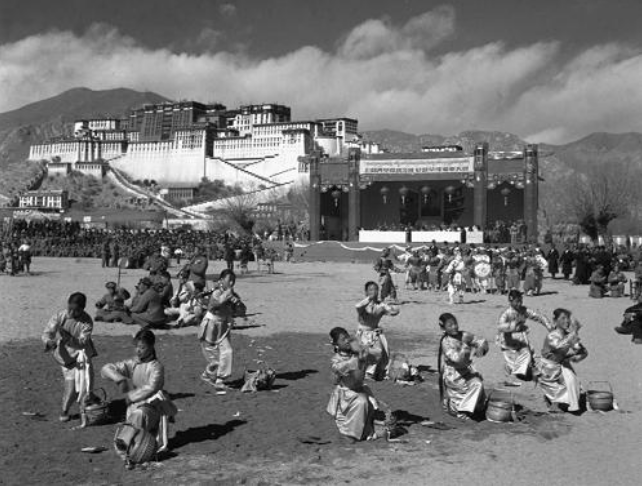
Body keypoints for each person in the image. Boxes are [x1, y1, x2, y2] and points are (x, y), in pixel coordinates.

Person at [101, 329, 177, 442]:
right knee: (136, 422)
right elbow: (106, 369)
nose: (138, 350)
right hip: (136, 405)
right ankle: (127, 442)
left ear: (151, 347)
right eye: (136, 346)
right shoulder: (134, 364)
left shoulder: (156, 367)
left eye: (142, 347)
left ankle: (124, 442)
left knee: (138, 416)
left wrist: (131, 396)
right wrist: (119, 379)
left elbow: (152, 388)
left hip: (154, 405)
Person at [42, 292, 98, 422]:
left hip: (81, 356)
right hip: (65, 357)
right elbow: (47, 333)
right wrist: (49, 341)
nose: (71, 312)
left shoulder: (87, 322)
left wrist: (68, 338)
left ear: (82, 308)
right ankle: (65, 411)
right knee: (72, 385)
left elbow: (82, 342)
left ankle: (89, 400)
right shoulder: (60, 316)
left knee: (85, 381)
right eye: (70, 308)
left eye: (76, 310)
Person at [326, 327, 378, 441]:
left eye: (347, 338)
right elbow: (341, 369)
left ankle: (363, 431)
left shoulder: (356, 354)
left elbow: (375, 358)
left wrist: (364, 350)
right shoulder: (336, 360)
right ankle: (350, 434)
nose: (347, 341)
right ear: (336, 344)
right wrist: (358, 358)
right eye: (343, 339)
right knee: (362, 401)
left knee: (371, 404)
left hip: (359, 389)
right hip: (347, 393)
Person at [198, 269, 245, 390]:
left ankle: (220, 379)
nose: (231, 283)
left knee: (228, 351)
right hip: (211, 327)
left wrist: (238, 305)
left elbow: (242, 311)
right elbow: (217, 303)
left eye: (233, 280)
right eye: (229, 280)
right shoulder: (216, 293)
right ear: (221, 280)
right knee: (215, 359)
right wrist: (229, 295)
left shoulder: (232, 295)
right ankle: (207, 374)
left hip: (223, 327)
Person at [535, 309, 588, 413]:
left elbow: (582, 351)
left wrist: (577, 355)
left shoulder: (568, 335)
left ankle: (561, 402)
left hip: (560, 365)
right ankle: (553, 402)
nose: (567, 321)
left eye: (568, 318)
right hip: (547, 368)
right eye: (563, 318)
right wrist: (573, 334)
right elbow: (559, 345)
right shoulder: (552, 336)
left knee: (573, 384)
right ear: (555, 321)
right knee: (560, 391)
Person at [438, 313, 488, 420]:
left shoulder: (464, 335)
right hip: (453, 375)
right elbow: (456, 359)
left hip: (466, 371)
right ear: (443, 329)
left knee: (477, 385)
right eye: (450, 325)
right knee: (458, 402)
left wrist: (481, 347)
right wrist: (465, 348)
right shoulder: (446, 342)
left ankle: (465, 409)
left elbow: (479, 341)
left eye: (455, 323)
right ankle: (458, 409)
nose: (454, 327)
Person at [497, 290, 552, 386]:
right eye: (517, 301)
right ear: (510, 301)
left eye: (520, 301)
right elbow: (501, 327)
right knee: (519, 358)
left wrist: (549, 326)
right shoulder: (506, 313)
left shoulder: (523, 310)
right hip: (507, 341)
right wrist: (515, 324)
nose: (519, 303)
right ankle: (510, 372)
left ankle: (530, 368)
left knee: (529, 352)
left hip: (520, 338)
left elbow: (538, 316)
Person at [355, 281, 400, 381]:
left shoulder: (380, 305)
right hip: (363, 333)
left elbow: (395, 312)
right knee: (366, 352)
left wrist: (388, 306)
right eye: (371, 290)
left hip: (374, 332)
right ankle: (364, 371)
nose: (374, 292)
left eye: (376, 289)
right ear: (366, 292)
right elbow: (357, 306)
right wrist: (369, 299)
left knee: (379, 352)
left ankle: (370, 373)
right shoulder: (363, 305)